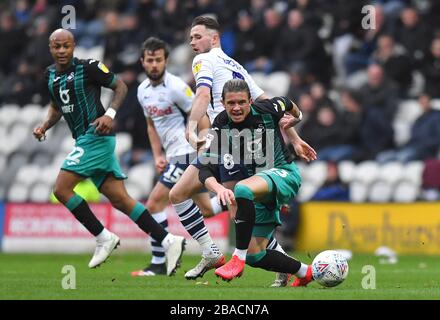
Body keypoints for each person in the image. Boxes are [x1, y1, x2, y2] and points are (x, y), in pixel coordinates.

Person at [169, 16, 317, 285]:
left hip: (231, 143)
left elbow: (203, 95)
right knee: (220, 202)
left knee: (197, 196)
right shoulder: (236, 66)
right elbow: (269, 104)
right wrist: (293, 136)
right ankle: (276, 263)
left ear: (214, 38)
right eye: (190, 37)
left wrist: (190, 128)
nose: (192, 42)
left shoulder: (204, 60)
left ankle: (220, 253)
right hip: (228, 140)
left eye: (197, 36)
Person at [33, 29, 185, 275]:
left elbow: (121, 86)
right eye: (57, 46)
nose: (62, 51)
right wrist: (44, 125)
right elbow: (56, 107)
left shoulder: (89, 67)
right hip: (84, 139)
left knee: (61, 189)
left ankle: (103, 237)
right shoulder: (50, 75)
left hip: (96, 137)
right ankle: (169, 240)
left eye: (66, 46)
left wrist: (109, 114)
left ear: (74, 46)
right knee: (121, 200)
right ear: (50, 48)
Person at [200, 79, 313, 286]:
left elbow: (287, 102)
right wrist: (218, 189)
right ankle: (305, 272)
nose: (236, 108)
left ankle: (237, 257)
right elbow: (205, 166)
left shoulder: (267, 109)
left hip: (284, 174)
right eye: (231, 103)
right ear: (223, 103)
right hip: (259, 188)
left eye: (242, 102)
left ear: (250, 101)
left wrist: (296, 120)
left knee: (241, 188)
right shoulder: (221, 125)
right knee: (256, 255)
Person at [131, 37, 225, 276]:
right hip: (171, 155)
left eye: (158, 60)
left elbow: (200, 113)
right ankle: (240, 197)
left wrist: (204, 143)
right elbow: (151, 125)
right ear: (142, 61)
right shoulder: (142, 91)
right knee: (206, 209)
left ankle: (159, 262)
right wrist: (157, 155)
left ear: (166, 61)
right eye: (150, 60)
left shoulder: (176, 87)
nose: (154, 65)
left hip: (187, 153)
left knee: (154, 203)